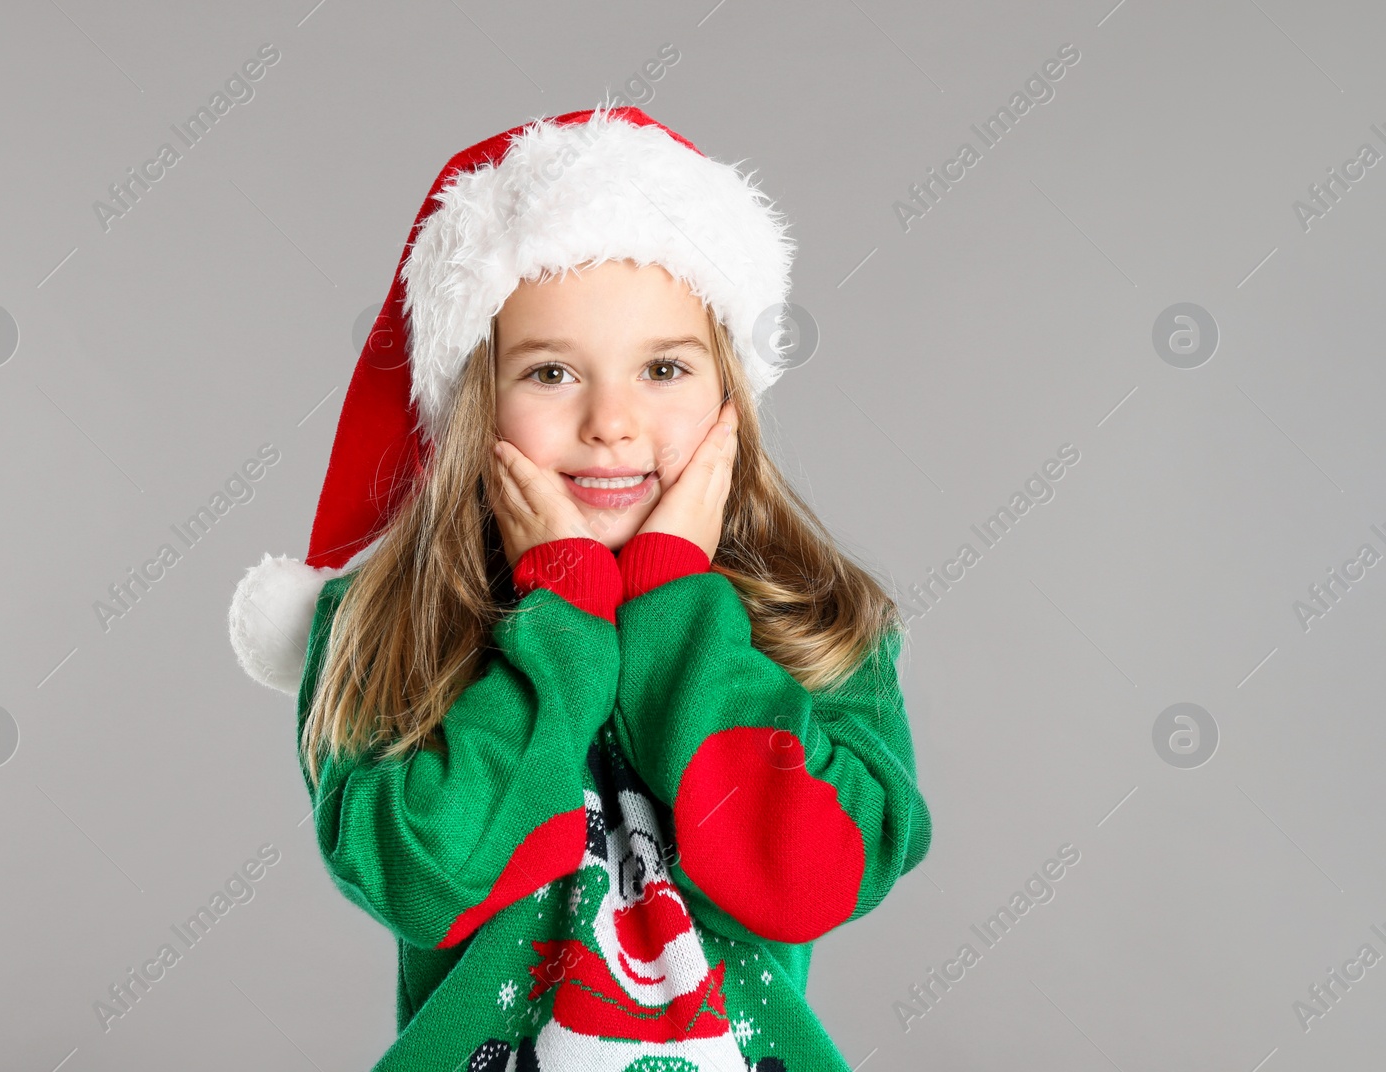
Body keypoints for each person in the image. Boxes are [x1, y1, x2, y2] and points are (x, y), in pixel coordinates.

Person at [228, 104, 932, 1072]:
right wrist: (558, 612)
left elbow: (800, 881)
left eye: (663, 368)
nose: (611, 421)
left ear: (729, 396)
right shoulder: (381, 627)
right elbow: (429, 877)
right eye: (552, 371)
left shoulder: (814, 624)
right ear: (475, 399)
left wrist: (673, 602)